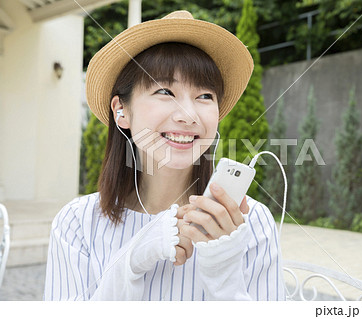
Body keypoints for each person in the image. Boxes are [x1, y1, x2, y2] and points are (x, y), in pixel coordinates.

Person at [43, 10, 286, 301]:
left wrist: (224, 275)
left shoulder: (251, 222)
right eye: (165, 91)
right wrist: (129, 261)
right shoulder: (77, 223)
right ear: (121, 111)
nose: (189, 115)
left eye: (205, 96)